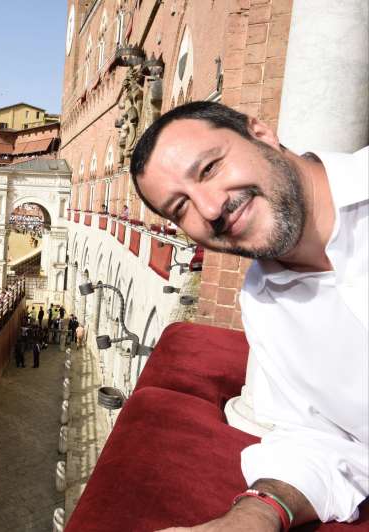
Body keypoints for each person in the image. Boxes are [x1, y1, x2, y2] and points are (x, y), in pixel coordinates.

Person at [130, 101, 368, 529]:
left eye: (209, 169)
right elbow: (315, 440)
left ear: (260, 133)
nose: (209, 207)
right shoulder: (261, 303)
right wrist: (253, 517)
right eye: (180, 207)